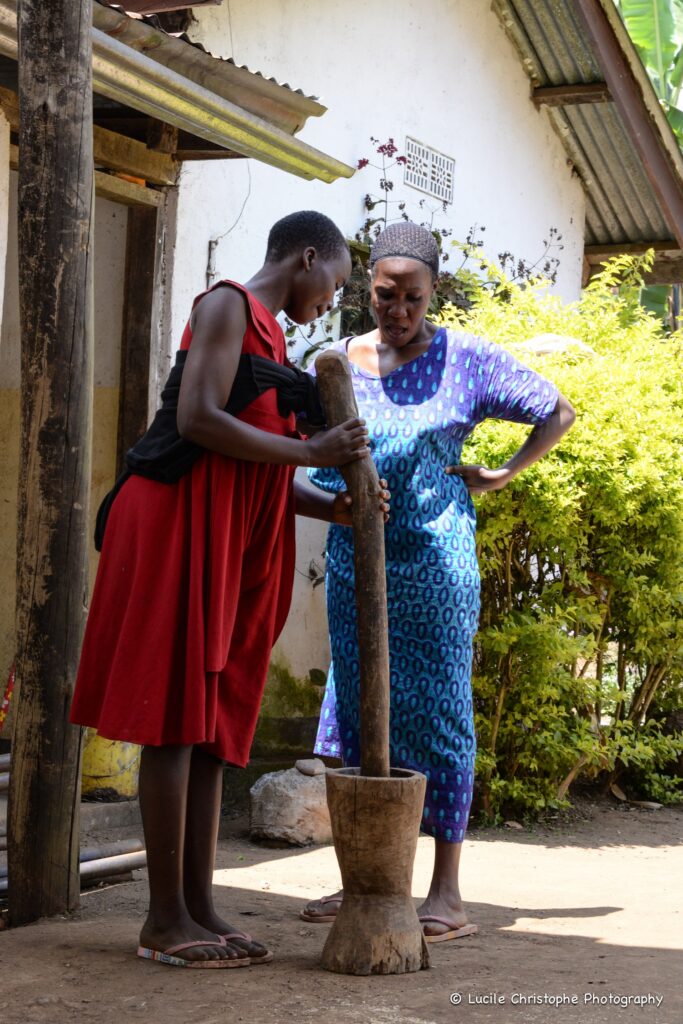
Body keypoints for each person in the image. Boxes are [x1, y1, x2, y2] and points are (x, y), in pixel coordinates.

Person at [70, 211, 382, 969]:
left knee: (211, 726)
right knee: (177, 716)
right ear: (306, 257)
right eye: (335, 282)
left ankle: (199, 907)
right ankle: (162, 920)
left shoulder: (274, 340)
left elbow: (258, 466)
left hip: (227, 535)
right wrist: (312, 450)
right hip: (175, 518)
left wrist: (332, 504)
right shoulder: (226, 305)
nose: (331, 300)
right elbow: (197, 420)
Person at [301, 221, 575, 941]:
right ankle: (362, 877)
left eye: (412, 299)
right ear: (368, 288)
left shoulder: (467, 359)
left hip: (436, 568)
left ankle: (445, 891)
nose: (397, 311)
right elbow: (306, 450)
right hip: (355, 562)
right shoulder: (337, 363)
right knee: (357, 712)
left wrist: (503, 473)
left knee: (441, 717)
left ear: (433, 293)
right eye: (384, 296)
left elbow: (557, 410)